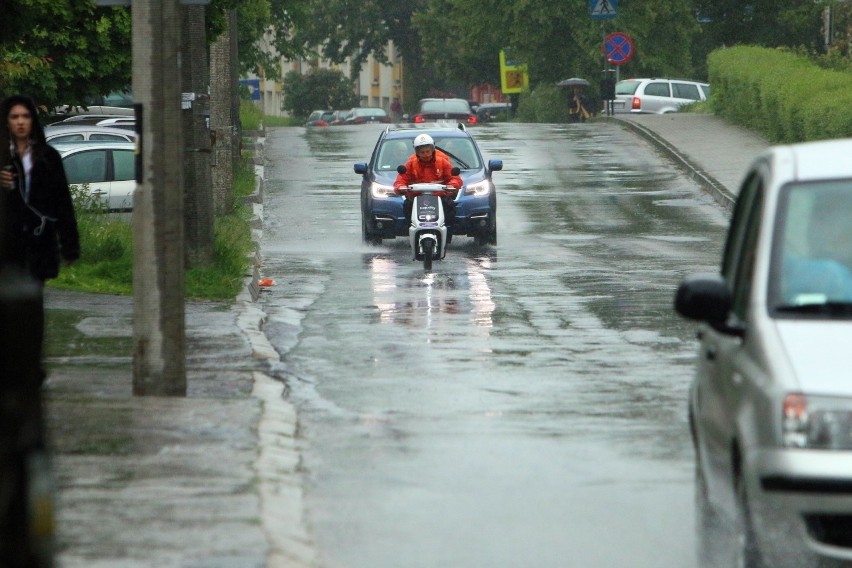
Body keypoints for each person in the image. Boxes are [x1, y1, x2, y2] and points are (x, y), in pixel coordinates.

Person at [0, 95, 80, 283]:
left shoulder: (48, 157)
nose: (20, 122)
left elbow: (62, 202)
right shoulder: (3, 156)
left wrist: (70, 246)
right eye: (15, 117)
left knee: (31, 301)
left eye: (25, 116)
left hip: (38, 241)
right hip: (6, 245)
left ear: (32, 120)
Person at [393, 133, 462, 236]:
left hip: (439, 198)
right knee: (407, 206)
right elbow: (401, 178)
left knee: (450, 207)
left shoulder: (442, 162)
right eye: (422, 152)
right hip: (416, 198)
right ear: (417, 152)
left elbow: (454, 177)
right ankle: (412, 232)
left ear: (433, 150)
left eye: (428, 151)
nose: (425, 155)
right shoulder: (411, 164)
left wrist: (453, 185)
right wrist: (400, 187)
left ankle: (447, 234)